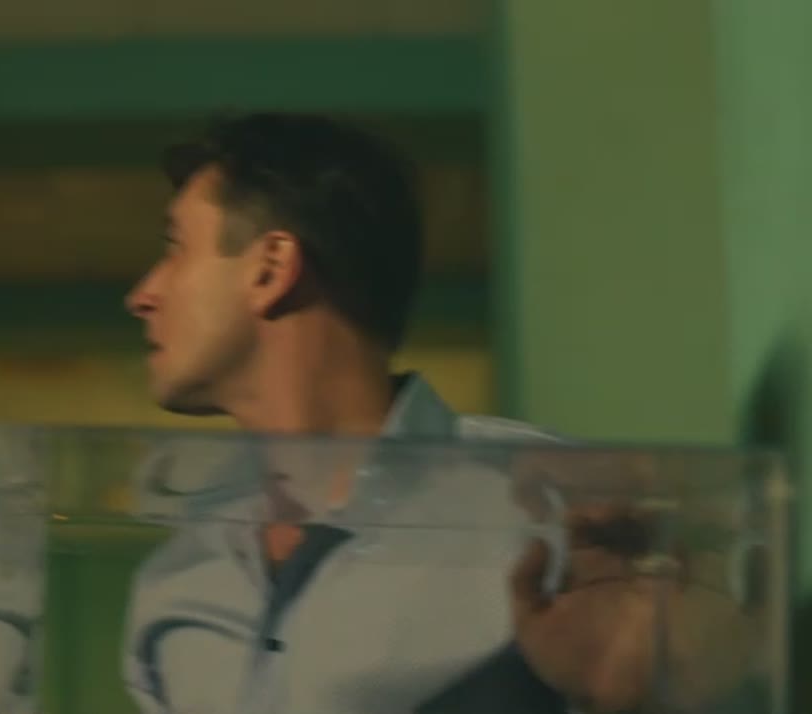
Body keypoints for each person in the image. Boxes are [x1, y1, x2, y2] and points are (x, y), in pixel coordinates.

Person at [120, 113, 765, 714]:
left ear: (271, 268)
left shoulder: (554, 516)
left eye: (174, 246)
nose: (142, 295)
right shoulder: (177, 572)